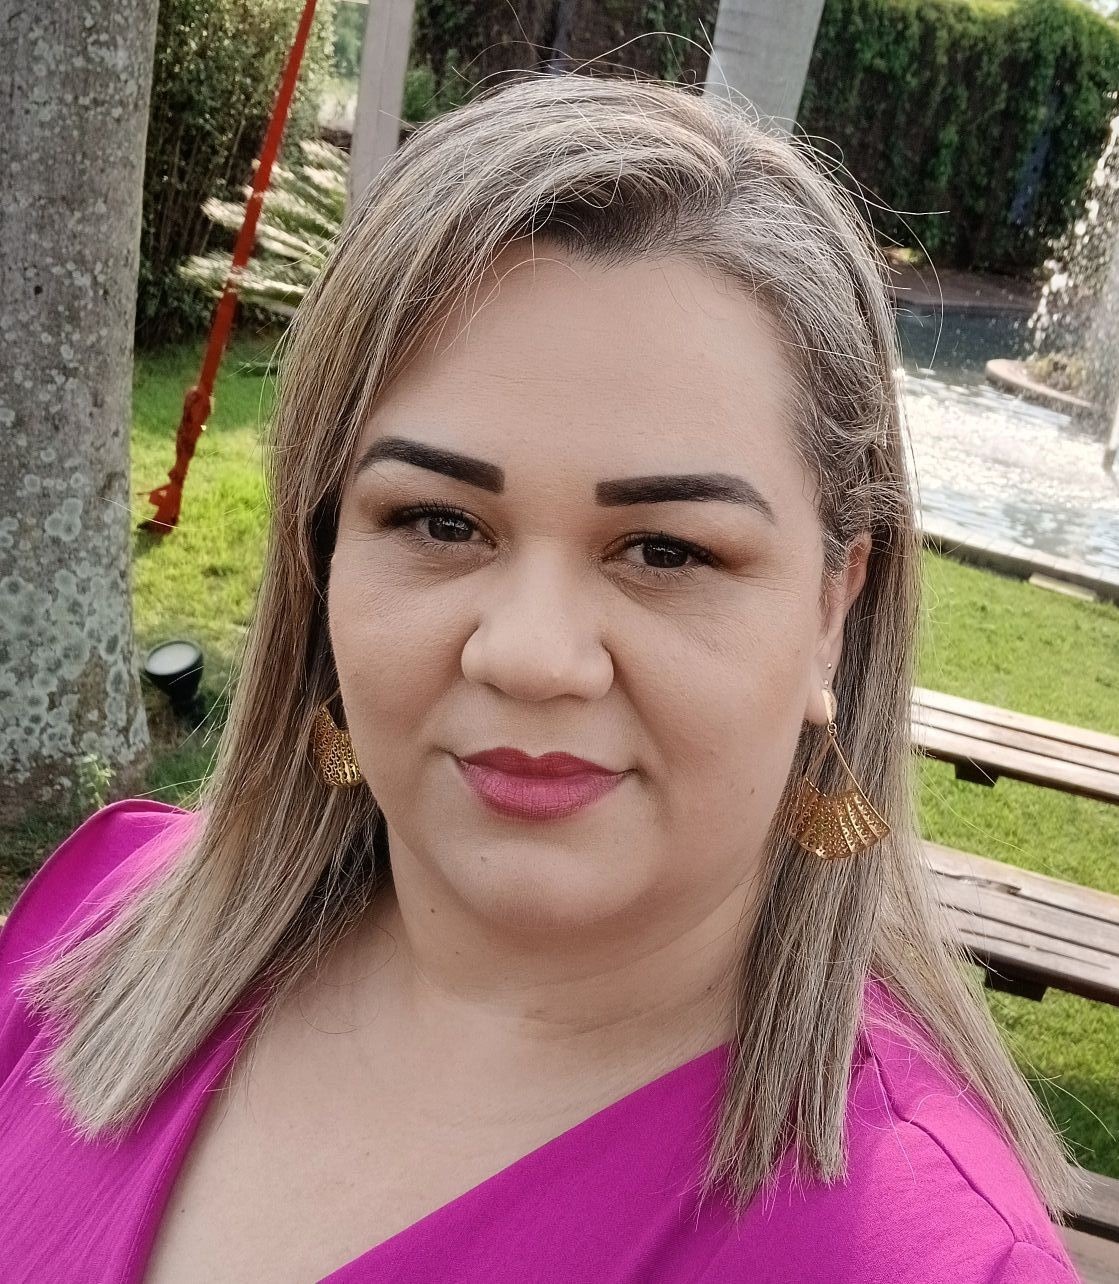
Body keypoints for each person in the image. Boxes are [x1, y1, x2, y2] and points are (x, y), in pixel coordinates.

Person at [0, 73, 1085, 1283]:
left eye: (664, 550)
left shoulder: (935, 1262)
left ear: (834, 605)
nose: (528, 655)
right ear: (324, 552)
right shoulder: (97, 925)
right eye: (440, 522)